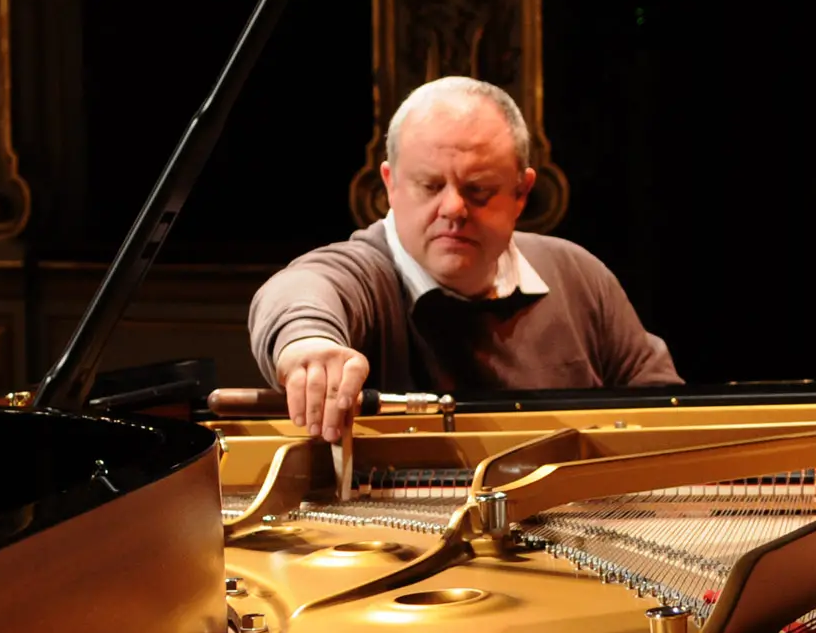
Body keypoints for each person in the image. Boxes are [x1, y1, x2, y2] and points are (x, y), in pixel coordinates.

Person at [249, 77, 679, 440]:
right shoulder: (367, 272)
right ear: (391, 185)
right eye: (430, 186)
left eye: (479, 190)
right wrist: (308, 344)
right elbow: (303, 287)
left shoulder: (577, 275)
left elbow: (671, 414)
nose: (453, 208)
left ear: (521, 192)